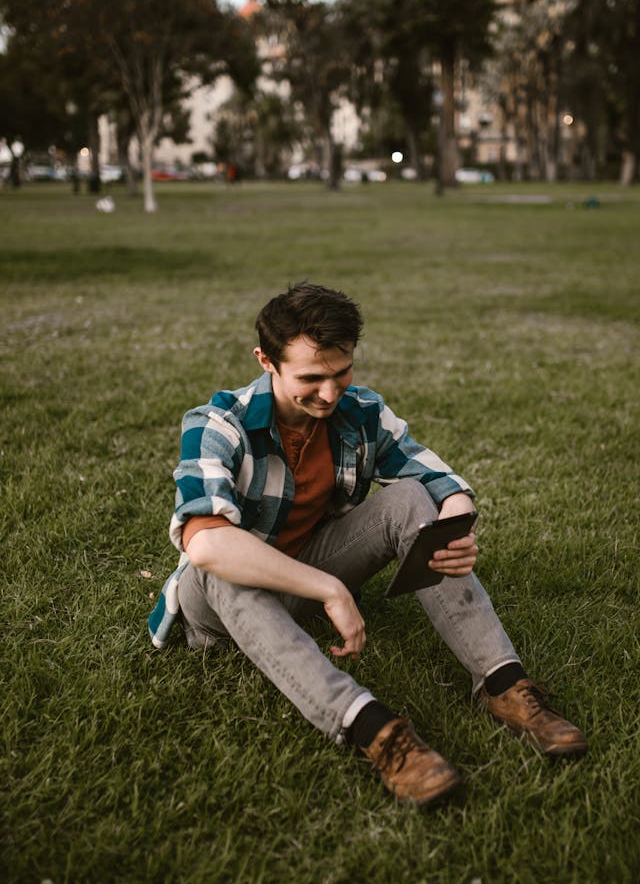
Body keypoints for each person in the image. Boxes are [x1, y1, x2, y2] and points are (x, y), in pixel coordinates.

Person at [149, 283, 587, 806]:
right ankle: (373, 730)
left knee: (408, 498)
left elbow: (440, 482)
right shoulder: (218, 423)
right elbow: (206, 547)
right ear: (267, 360)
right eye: (311, 378)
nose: (330, 394)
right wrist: (330, 588)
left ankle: (505, 686)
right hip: (221, 603)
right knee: (220, 564)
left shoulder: (359, 412)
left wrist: (458, 525)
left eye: (342, 372)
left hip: (306, 572)